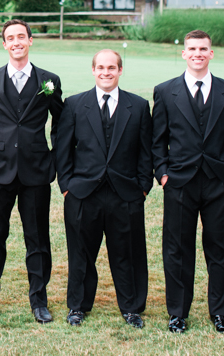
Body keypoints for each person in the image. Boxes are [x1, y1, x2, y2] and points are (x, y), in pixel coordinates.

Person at [152, 29, 224, 334]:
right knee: (177, 249)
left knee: (222, 248)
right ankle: (178, 312)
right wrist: (163, 173)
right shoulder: (165, 91)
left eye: (203, 48)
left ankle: (221, 312)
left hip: (220, 182)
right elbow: (158, 140)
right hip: (179, 181)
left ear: (211, 53)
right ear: (183, 53)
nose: (197, 53)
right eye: (192, 48)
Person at [0, 19, 64, 324]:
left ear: (30, 40)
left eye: (21, 36)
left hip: (36, 171)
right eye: (10, 38)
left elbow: (61, 124)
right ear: (4, 44)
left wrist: (53, 159)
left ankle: (39, 302)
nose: (16, 42)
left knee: (37, 239)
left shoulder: (49, 80)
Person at [53, 49, 152, 328]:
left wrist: (143, 187)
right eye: (101, 67)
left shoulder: (139, 106)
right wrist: (67, 186)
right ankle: (78, 306)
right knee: (81, 253)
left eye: (112, 67)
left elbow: (147, 152)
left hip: (127, 194)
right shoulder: (75, 104)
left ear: (120, 71)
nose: (106, 72)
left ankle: (132, 308)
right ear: (93, 70)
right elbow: (64, 150)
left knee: (128, 253)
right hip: (83, 194)